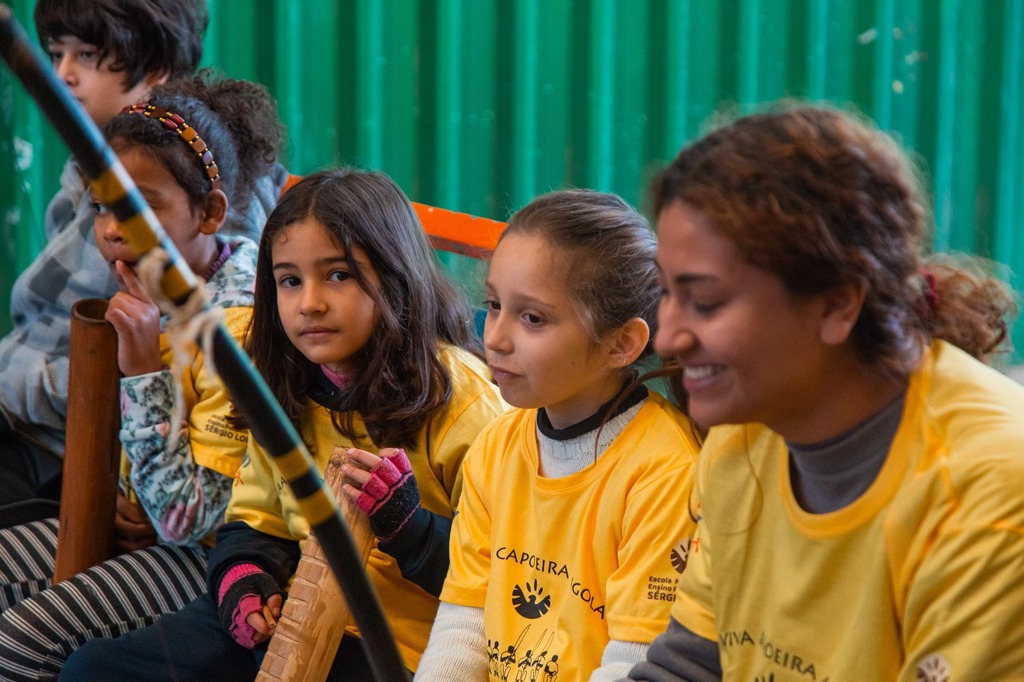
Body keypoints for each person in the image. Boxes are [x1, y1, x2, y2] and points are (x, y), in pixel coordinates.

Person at [626, 103, 1024, 681]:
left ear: (839, 302)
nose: (667, 335)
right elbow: (689, 667)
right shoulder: (743, 438)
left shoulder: (990, 492)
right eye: (664, 292)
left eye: (706, 302)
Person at [61, 168, 509, 680]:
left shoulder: (460, 398)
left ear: (396, 274)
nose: (309, 303)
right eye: (290, 281)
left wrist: (409, 528)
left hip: (393, 642)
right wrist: (246, 580)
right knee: (94, 670)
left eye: (338, 275)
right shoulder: (286, 382)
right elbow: (256, 520)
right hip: (289, 615)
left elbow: (501, 566)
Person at [0, 70, 285, 681]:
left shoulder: (236, 328)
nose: (110, 229)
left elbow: (193, 520)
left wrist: (141, 374)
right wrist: (127, 499)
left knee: (22, 639)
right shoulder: (152, 295)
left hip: (206, 566)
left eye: (137, 207)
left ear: (209, 213)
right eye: (102, 207)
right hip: (143, 532)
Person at [0, 0, 286, 517]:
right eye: (55, 54)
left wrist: (137, 378)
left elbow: (186, 511)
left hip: (75, 452)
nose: (62, 74)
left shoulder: (220, 299)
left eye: (86, 54)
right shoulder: (98, 182)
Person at [414, 190, 704, 681]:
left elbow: (634, 661)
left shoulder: (666, 472)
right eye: (494, 304)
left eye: (532, 318)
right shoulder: (496, 446)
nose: (495, 337)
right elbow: (464, 624)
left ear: (621, 344)